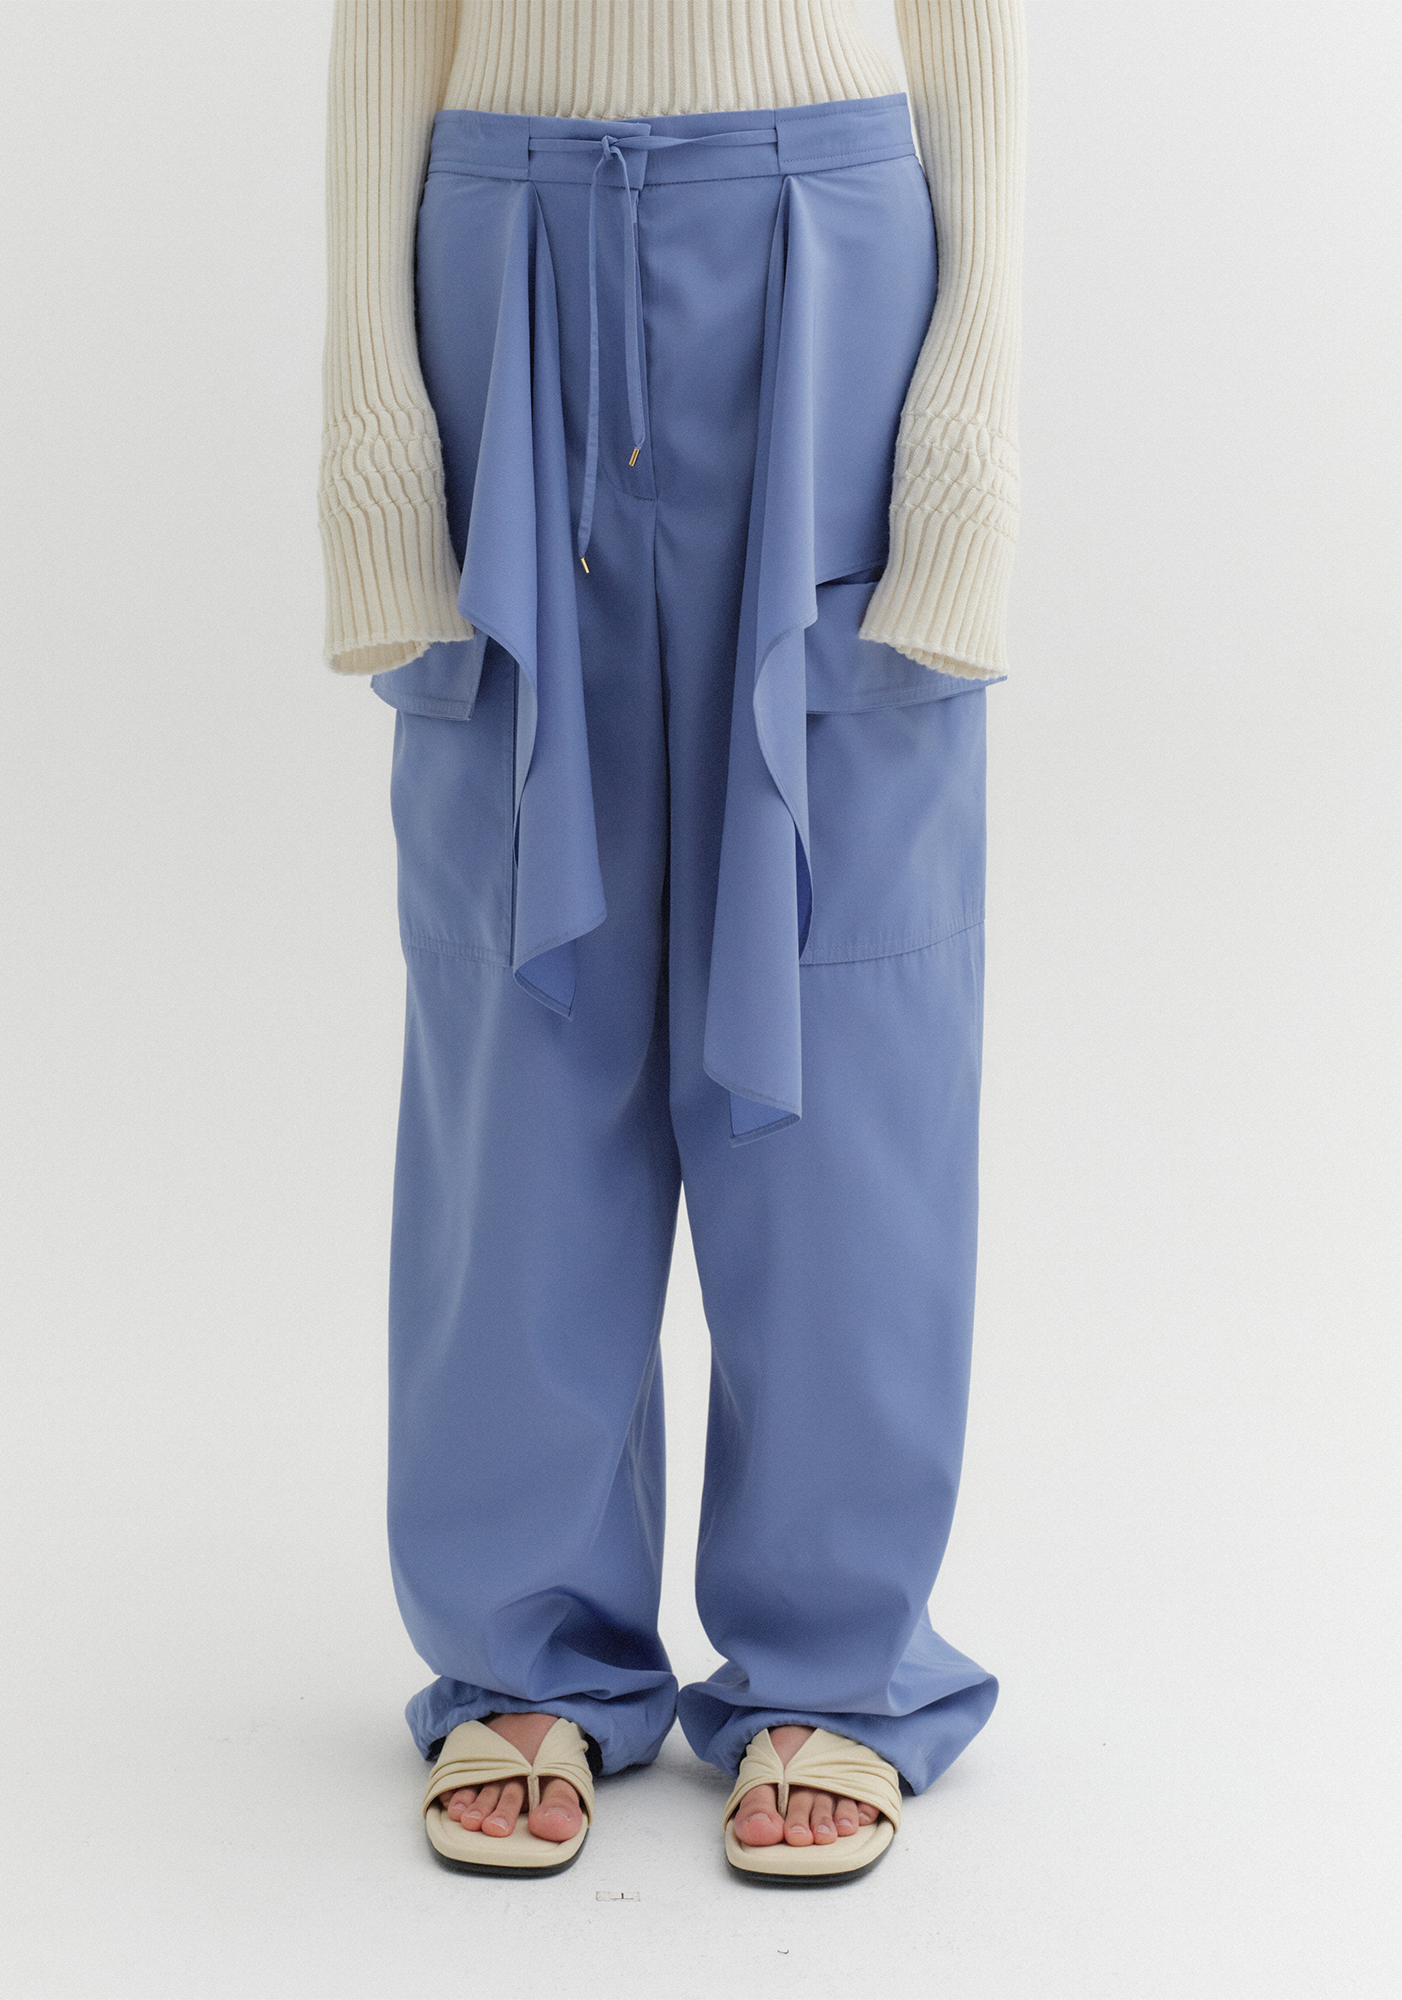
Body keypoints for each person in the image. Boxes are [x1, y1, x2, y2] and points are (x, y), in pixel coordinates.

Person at [318, 0, 1024, 1884]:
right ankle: (520, 1649)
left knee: (843, 991)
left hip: (834, 250)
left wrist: (968, 409)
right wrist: (373, 420)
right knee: (516, 996)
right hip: (504, 251)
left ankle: (837, 1658)